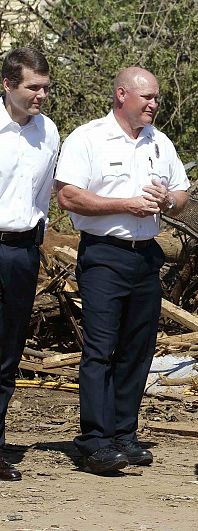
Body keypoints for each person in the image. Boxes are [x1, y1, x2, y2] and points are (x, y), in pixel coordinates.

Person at [55, 67, 190, 474]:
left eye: (157, 98)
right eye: (147, 97)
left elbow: (183, 195)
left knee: (138, 348)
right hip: (104, 255)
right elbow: (68, 196)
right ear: (121, 95)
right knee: (100, 349)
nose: (154, 104)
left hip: (146, 255)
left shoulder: (159, 143)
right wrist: (124, 205)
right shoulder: (88, 137)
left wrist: (169, 200)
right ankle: (94, 440)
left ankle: (123, 434)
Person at [0, 47, 59, 482]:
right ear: (7, 85)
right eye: (32, 87)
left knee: (7, 351)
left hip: (21, 251)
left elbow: (42, 195)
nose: (40, 95)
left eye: (45, 87)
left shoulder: (49, 132)